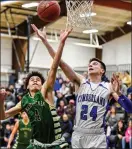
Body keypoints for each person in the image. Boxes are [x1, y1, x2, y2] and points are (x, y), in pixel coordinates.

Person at [31, 24, 132, 148]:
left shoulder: (109, 86)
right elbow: (59, 62)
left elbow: (130, 109)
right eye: (89, 64)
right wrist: (47, 41)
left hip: (97, 136)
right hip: (78, 134)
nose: (91, 65)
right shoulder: (80, 81)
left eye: (95, 64)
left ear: (102, 71)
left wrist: (120, 94)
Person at [0, 26, 72, 149]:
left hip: (54, 145)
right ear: (27, 86)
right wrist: (1, 101)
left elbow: (54, 66)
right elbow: (3, 116)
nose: (35, 81)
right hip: (36, 145)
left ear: (42, 84)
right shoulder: (24, 101)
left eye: (38, 80)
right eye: (32, 80)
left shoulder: (46, 91)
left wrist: (60, 43)